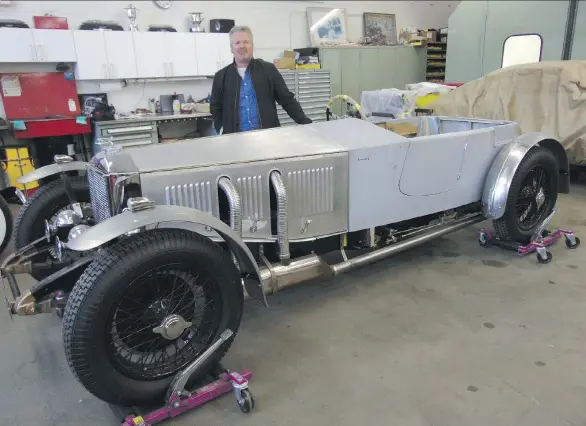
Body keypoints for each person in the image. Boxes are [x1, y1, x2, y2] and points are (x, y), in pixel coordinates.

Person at [210, 25, 312, 135]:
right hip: (235, 139)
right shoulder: (221, 76)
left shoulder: (268, 70)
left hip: (268, 137)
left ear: (252, 46)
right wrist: (220, 128)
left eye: (246, 42)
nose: (242, 46)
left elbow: (287, 100)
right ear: (231, 48)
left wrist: (306, 123)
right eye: (237, 43)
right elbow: (215, 107)